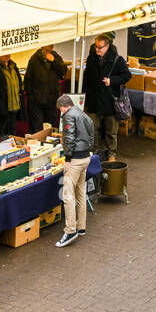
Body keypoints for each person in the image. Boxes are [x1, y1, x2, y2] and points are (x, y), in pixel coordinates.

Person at [55, 93, 96, 247]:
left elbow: (69, 138)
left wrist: (68, 156)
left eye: (60, 109)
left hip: (75, 160)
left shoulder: (68, 116)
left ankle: (70, 230)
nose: (61, 112)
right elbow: (92, 134)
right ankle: (81, 226)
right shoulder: (83, 114)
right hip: (86, 157)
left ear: (64, 106)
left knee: (67, 195)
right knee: (80, 192)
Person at [83, 33, 130, 160]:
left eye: (100, 47)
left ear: (107, 46)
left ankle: (111, 154)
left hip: (110, 100)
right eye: (96, 46)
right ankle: (93, 152)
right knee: (93, 129)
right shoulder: (92, 59)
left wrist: (112, 80)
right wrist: (85, 98)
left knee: (111, 131)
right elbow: (86, 78)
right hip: (94, 100)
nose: (97, 49)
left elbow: (127, 75)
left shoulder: (116, 59)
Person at [24, 44, 68, 133]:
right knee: (37, 128)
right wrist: (32, 97)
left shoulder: (55, 56)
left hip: (52, 99)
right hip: (37, 100)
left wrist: (54, 61)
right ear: (43, 45)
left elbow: (63, 71)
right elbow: (28, 79)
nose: (52, 45)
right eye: (49, 43)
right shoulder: (34, 59)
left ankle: (49, 145)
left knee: (50, 127)